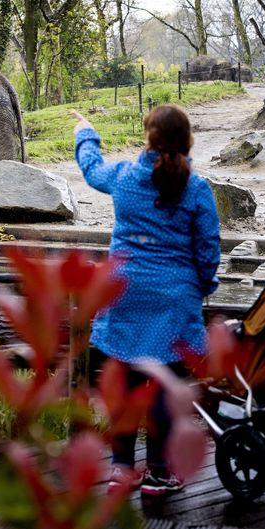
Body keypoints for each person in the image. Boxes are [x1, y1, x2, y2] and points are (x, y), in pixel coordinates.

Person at [72, 104, 221, 496]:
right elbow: (208, 248)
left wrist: (86, 133)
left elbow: (91, 170)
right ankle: (159, 471)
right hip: (173, 300)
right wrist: (205, 285)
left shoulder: (124, 177)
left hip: (124, 293)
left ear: (148, 138)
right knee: (165, 387)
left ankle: (122, 469)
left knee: (123, 384)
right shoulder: (196, 189)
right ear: (187, 140)